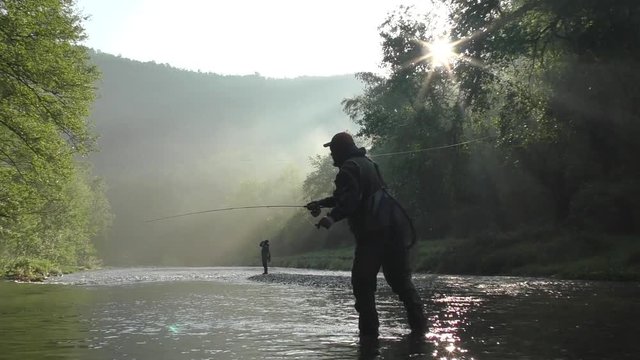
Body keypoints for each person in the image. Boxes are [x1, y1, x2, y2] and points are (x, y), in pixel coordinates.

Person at [305, 132, 427, 339]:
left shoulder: (348, 169)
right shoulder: (367, 164)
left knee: (363, 286)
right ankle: (421, 330)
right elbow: (351, 195)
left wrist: (331, 218)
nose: (332, 155)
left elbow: (350, 200)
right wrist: (322, 203)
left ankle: (369, 340)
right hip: (394, 231)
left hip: (372, 236)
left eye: (333, 150)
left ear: (341, 150)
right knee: (401, 283)